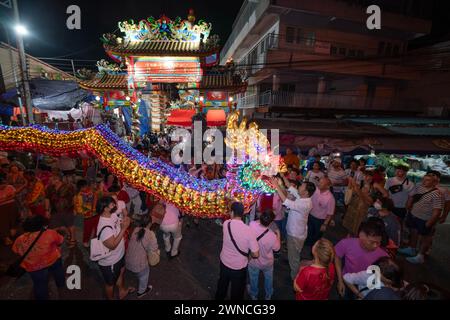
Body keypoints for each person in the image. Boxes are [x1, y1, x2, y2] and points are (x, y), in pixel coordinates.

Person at [270, 177, 315, 279]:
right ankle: (294, 261)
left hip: (295, 234)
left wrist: (276, 185)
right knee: (295, 252)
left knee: (293, 258)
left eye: (302, 187)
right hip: (299, 232)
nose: (299, 187)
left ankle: (295, 278)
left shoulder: (304, 204)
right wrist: (282, 174)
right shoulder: (303, 198)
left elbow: (286, 201)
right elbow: (290, 187)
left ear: (306, 192)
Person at [12, 215, 65, 300]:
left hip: (34, 266)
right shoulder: (50, 233)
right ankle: (61, 283)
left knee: (39, 285)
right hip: (52, 259)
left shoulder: (20, 239)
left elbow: (15, 250)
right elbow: (60, 240)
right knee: (58, 270)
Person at [335, 219, 389, 299]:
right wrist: (340, 280)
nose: (375, 246)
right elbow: (337, 257)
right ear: (361, 235)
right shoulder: (346, 243)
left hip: (366, 288)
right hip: (346, 281)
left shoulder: (383, 256)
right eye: (372, 242)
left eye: (378, 243)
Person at [215, 202, 259, 300]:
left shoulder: (226, 224)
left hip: (224, 263)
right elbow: (256, 254)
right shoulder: (249, 231)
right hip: (239, 267)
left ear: (232, 212)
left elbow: (233, 218)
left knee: (222, 287)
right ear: (242, 213)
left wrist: (241, 212)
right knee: (237, 293)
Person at [399, 173, 443, 264]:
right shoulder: (419, 186)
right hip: (414, 215)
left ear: (434, 183)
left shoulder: (437, 194)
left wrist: (430, 222)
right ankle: (412, 248)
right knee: (413, 232)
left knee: (425, 237)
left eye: (427, 180)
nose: (424, 181)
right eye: (423, 179)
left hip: (425, 219)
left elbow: (437, 211)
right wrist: (409, 203)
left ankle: (420, 256)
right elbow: (413, 196)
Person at [96, 196, 134, 300]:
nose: (116, 205)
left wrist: (126, 219)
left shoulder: (111, 215)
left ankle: (121, 291)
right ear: (105, 208)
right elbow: (112, 245)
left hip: (119, 255)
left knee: (121, 271)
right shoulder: (104, 227)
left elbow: (119, 222)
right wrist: (124, 229)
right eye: (113, 204)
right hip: (111, 262)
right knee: (110, 284)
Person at [247, 209, 281, 300]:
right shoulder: (272, 236)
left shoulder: (252, 225)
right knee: (268, 278)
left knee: (253, 278)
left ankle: (254, 294)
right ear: (271, 223)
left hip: (254, 260)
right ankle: (268, 294)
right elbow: (277, 248)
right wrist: (278, 233)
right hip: (267, 262)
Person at [343, 170, 388, 236]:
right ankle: (349, 235)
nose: (367, 178)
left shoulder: (374, 185)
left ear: (372, 177)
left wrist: (377, 199)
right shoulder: (360, 183)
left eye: (369, 176)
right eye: (365, 175)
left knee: (359, 224)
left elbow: (386, 194)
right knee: (351, 222)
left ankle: (355, 238)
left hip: (364, 207)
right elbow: (353, 192)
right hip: (355, 205)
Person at [125, 215, 158, 298]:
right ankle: (141, 292)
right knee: (145, 274)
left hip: (127, 260)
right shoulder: (151, 234)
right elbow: (154, 248)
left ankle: (137, 274)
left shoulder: (136, 229)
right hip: (139, 264)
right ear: (150, 224)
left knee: (139, 271)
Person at [46, 172, 77, 248]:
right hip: (55, 210)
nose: (50, 179)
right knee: (53, 226)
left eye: (52, 178)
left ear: (57, 179)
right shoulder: (49, 187)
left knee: (70, 225)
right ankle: (56, 240)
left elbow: (74, 197)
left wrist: (75, 208)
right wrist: (47, 210)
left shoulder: (68, 186)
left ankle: (73, 239)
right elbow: (47, 198)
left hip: (67, 209)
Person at [305, 177, 335, 249]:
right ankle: (307, 246)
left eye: (321, 183)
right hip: (310, 215)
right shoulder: (316, 190)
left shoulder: (330, 198)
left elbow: (330, 213)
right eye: (319, 182)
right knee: (308, 232)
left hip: (320, 220)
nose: (318, 184)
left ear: (327, 186)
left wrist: (325, 224)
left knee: (316, 236)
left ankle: (314, 251)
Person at [74, 179, 98, 248]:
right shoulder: (78, 196)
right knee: (88, 229)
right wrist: (87, 210)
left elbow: (96, 196)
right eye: (85, 187)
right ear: (81, 187)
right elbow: (79, 209)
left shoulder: (91, 191)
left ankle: (96, 240)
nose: (86, 188)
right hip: (87, 216)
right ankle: (85, 241)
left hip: (95, 213)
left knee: (97, 227)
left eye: (86, 186)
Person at [0, 173, 19, 245]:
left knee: (13, 215)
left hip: (12, 204)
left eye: (3, 184)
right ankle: (6, 238)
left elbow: (13, 196)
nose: (3, 186)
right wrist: (6, 199)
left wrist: (3, 199)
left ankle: (13, 229)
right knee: (3, 221)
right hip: (1, 207)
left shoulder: (9, 187)